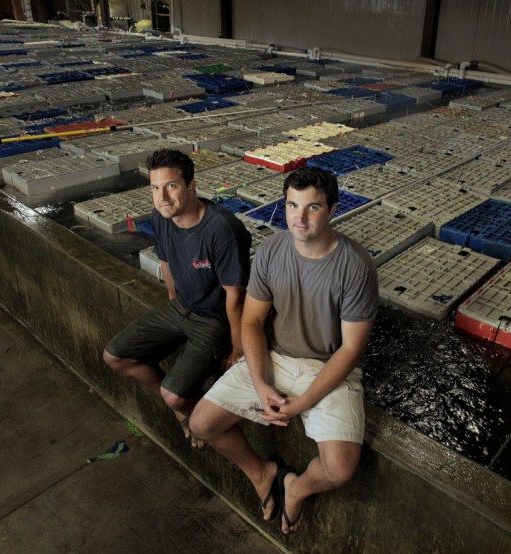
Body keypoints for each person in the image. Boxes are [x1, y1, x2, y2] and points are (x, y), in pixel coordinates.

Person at [190, 166, 378, 533]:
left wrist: (304, 401)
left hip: (329, 367)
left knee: (340, 468)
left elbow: (351, 349)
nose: (299, 218)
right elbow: (251, 322)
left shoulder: (356, 267)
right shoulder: (272, 250)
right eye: (292, 206)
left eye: (312, 208)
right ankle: (261, 473)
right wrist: (261, 384)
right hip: (277, 357)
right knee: (201, 422)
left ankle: (296, 487)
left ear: (333, 210)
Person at [103, 148, 251, 448]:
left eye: (171, 186)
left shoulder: (222, 230)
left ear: (191, 186)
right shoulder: (161, 217)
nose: (163, 197)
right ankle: (186, 405)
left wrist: (237, 348)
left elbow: (235, 296)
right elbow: (167, 263)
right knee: (114, 355)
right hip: (181, 308)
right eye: (155, 188)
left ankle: (182, 407)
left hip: (214, 319)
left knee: (172, 393)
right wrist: (172, 304)